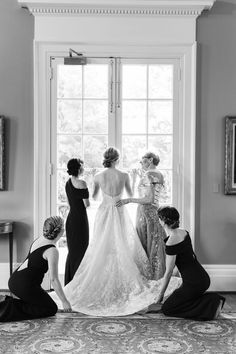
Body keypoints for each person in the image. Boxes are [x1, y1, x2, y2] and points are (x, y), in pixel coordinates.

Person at [49, 147, 180, 316]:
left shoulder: (98, 176)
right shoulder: (124, 175)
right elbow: (130, 193)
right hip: (119, 211)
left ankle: (101, 280)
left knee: (101, 245)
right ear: (117, 159)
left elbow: (95, 197)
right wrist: (128, 184)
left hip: (104, 211)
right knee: (121, 244)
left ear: (105, 159)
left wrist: (103, 191)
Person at [153, 206, 225, 320]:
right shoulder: (184, 232)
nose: (158, 220)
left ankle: (213, 303)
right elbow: (186, 259)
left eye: (159, 218)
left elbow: (168, 272)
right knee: (182, 298)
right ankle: (212, 302)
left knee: (167, 309)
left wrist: (160, 295)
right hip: (203, 278)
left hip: (194, 283)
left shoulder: (171, 241)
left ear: (163, 221)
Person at [0, 216, 72, 322]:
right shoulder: (52, 251)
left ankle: (7, 302)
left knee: (37, 303)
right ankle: (8, 307)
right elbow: (54, 279)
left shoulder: (39, 240)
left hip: (14, 281)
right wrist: (64, 301)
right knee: (50, 309)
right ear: (61, 231)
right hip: (24, 286)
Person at [116, 152, 166, 280]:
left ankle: (149, 278)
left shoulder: (149, 174)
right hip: (154, 213)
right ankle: (157, 278)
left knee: (146, 244)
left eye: (142, 161)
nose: (140, 163)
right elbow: (155, 198)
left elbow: (148, 199)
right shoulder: (159, 174)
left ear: (150, 160)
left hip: (146, 213)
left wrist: (128, 200)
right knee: (154, 244)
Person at [64, 158, 90, 285]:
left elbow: (69, 203)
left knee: (73, 251)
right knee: (82, 251)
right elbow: (86, 204)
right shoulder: (82, 183)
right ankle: (79, 283)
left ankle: (70, 282)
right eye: (82, 166)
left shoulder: (67, 183)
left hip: (71, 219)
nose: (83, 168)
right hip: (80, 220)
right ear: (79, 168)